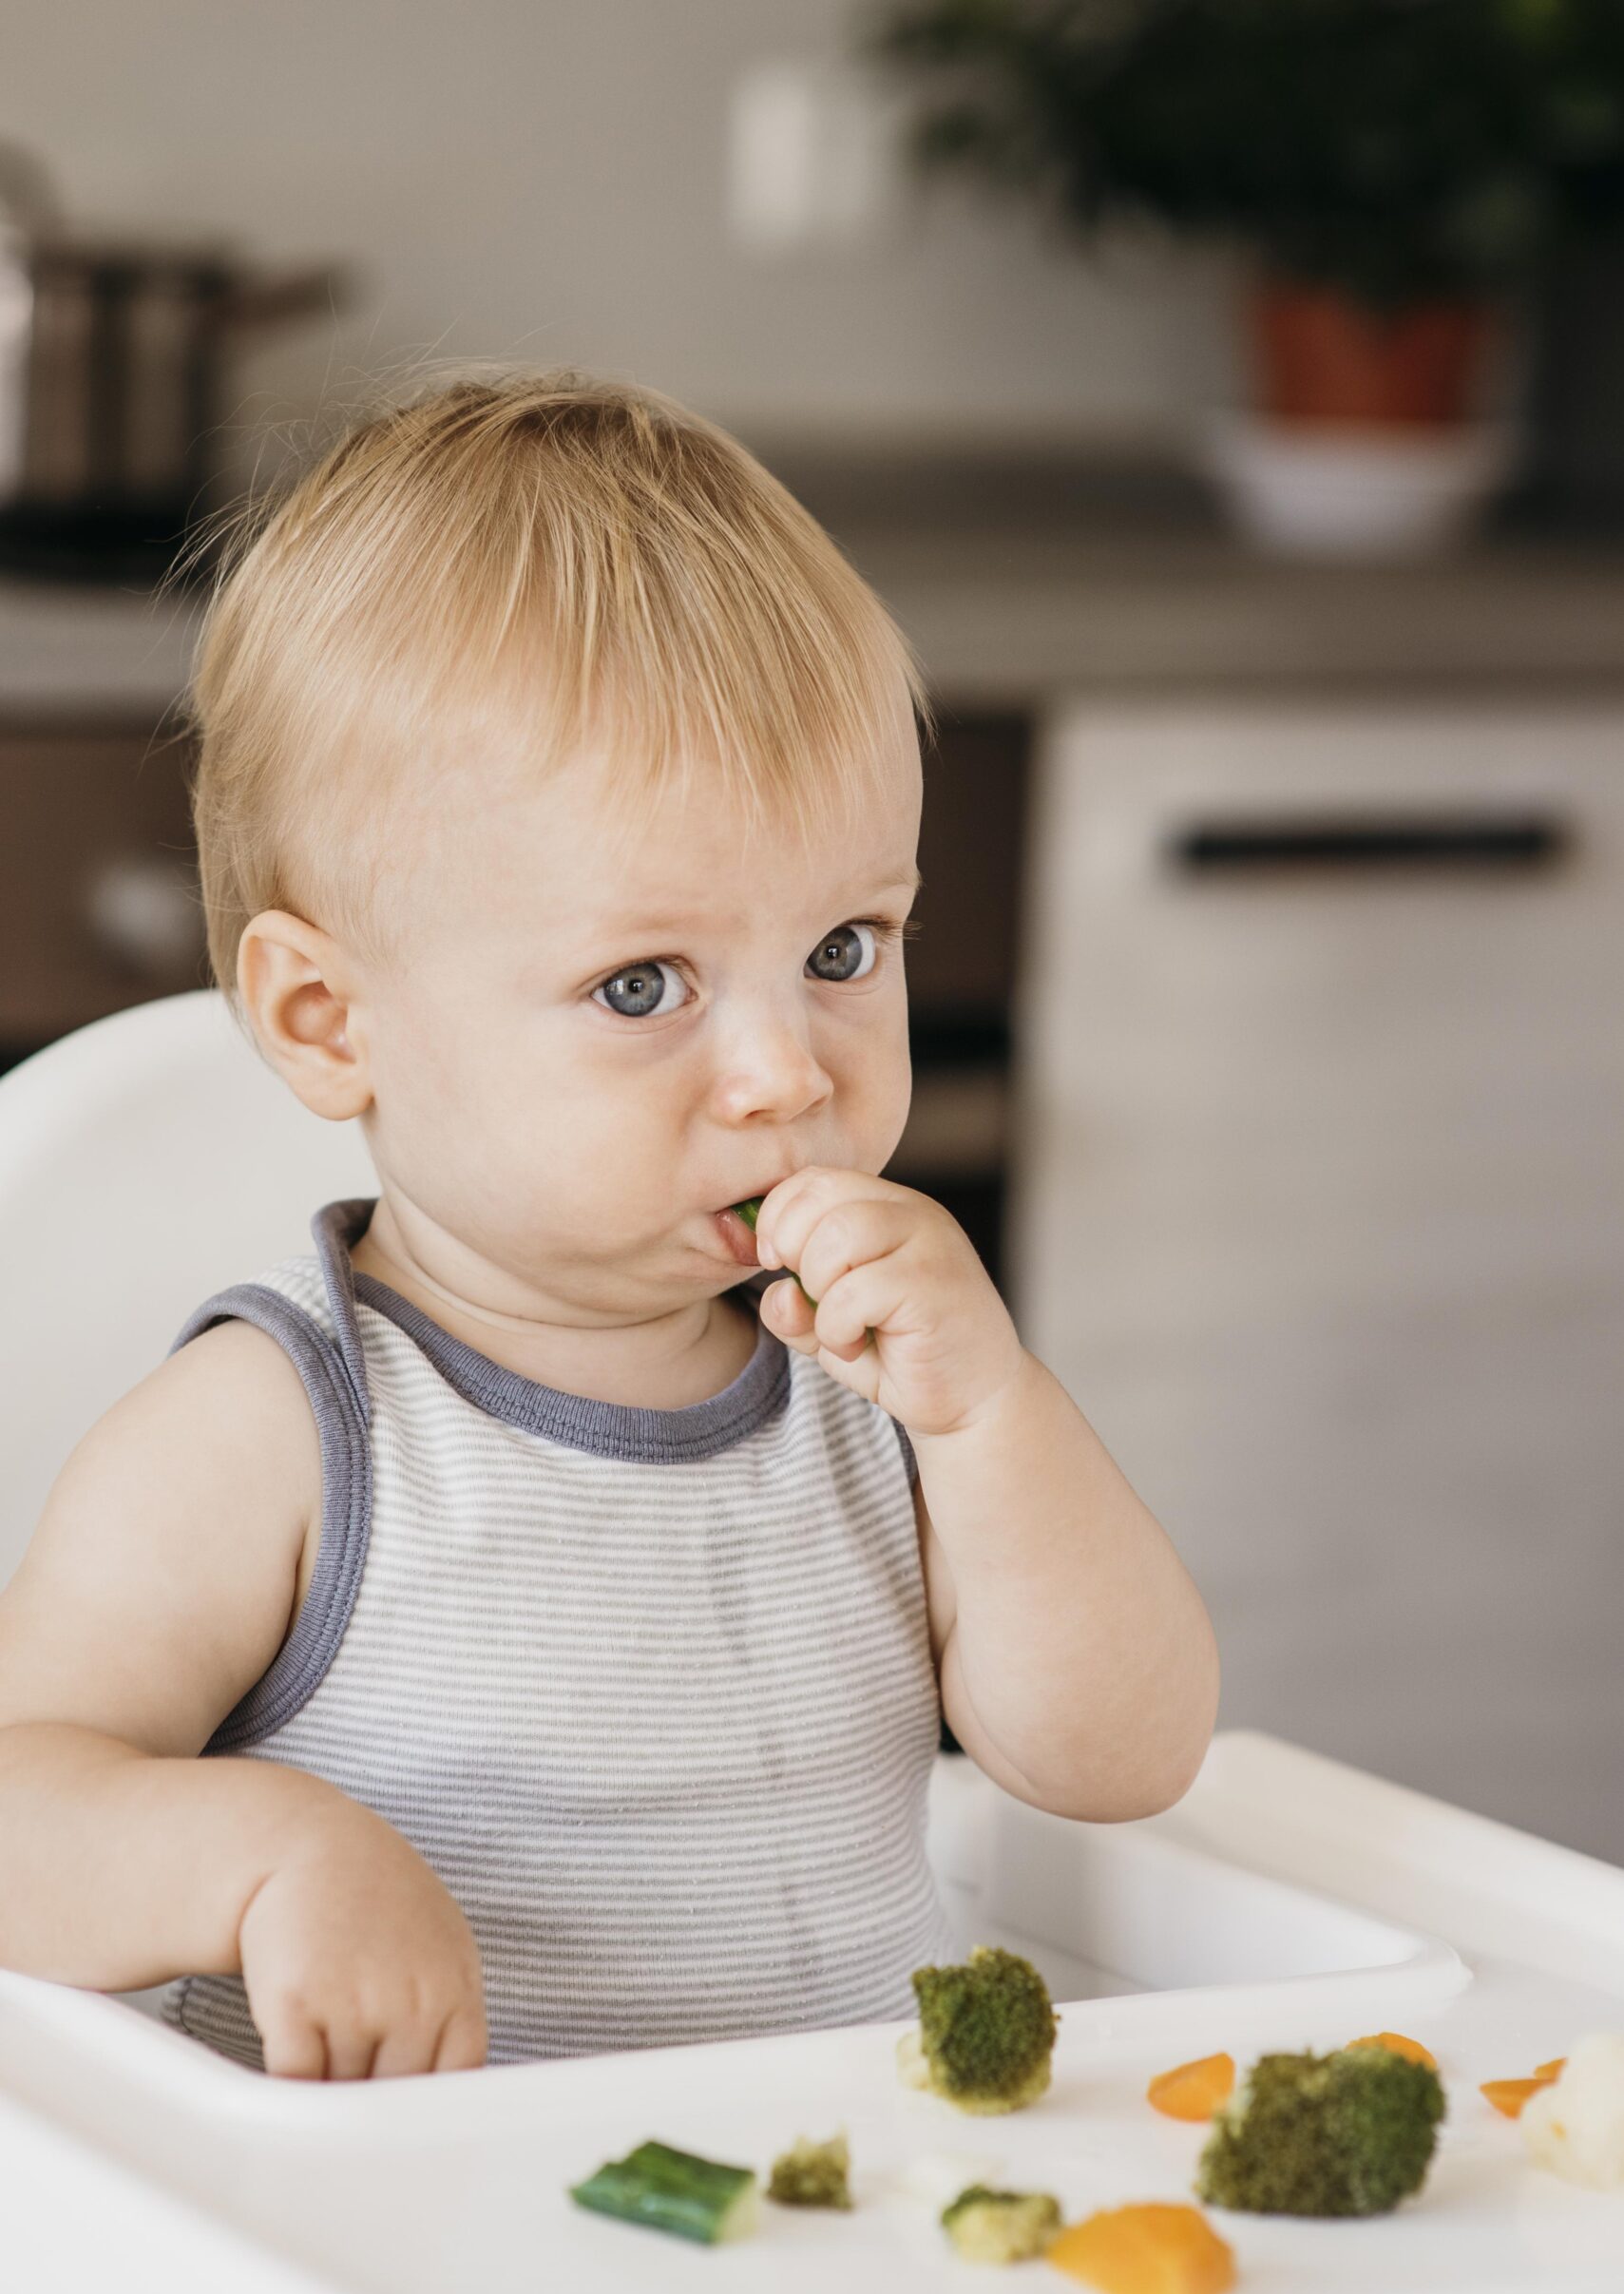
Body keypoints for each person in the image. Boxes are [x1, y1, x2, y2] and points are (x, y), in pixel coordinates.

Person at [0, 374, 1218, 2077]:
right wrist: (267, 1855)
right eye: (641, 985)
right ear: (329, 1021)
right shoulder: (278, 1431)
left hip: (845, 2227)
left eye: (846, 947)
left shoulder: (879, 1386)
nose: (787, 1069)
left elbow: (1122, 1760)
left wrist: (996, 1416)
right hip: (433, 2260)